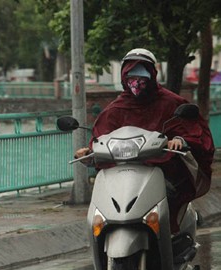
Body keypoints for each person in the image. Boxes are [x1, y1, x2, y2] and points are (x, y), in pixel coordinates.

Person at [75, 48, 215, 236]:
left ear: (153, 75)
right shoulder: (115, 109)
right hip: (123, 173)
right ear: (124, 77)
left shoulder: (170, 103)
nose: (137, 81)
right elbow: (101, 137)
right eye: (132, 75)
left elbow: (192, 128)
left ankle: (172, 239)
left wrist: (179, 140)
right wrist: (89, 151)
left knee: (171, 193)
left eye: (143, 75)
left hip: (162, 170)